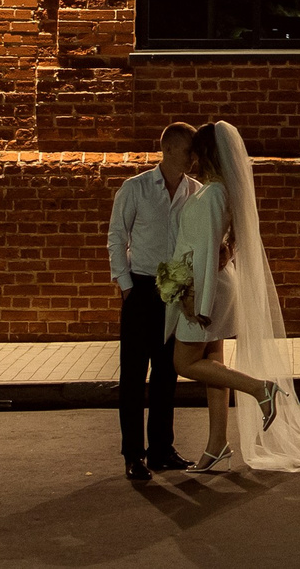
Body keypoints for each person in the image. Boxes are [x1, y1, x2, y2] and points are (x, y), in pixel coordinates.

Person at [164, 120, 300, 473]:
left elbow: (204, 251)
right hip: (217, 284)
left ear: (207, 153)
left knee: (184, 363)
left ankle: (260, 388)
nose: (191, 157)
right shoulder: (221, 191)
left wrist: (196, 302)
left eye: (196, 151)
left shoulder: (212, 194)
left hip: (204, 289)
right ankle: (217, 444)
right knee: (213, 368)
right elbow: (221, 246)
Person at [107, 120, 199, 481]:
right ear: (170, 149)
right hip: (142, 287)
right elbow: (117, 235)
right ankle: (133, 454)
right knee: (133, 374)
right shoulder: (136, 188)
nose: (193, 158)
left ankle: (161, 449)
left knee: (166, 372)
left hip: (176, 290)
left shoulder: (197, 191)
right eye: (189, 150)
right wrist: (126, 286)